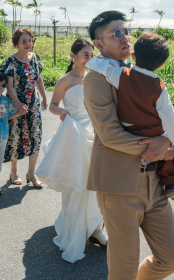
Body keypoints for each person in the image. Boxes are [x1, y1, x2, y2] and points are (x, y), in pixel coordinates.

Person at [84, 11, 174, 280]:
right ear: (99, 44)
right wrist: (161, 147)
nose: (125, 37)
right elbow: (109, 134)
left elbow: (166, 115)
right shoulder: (96, 78)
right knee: (123, 267)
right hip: (118, 185)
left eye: (126, 31)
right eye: (116, 33)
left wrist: (165, 140)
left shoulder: (140, 74)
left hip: (155, 180)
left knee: (171, 259)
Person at [86, 31, 174, 200]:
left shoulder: (122, 76)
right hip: (152, 132)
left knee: (166, 144)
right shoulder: (159, 88)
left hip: (129, 129)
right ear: (162, 63)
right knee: (173, 141)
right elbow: (169, 119)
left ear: (133, 56)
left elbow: (103, 68)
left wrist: (91, 61)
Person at [35, 38, 108, 263]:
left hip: (97, 133)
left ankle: (95, 227)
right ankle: (76, 227)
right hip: (75, 134)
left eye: (91, 54)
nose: (89, 58)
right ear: (73, 56)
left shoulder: (98, 78)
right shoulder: (65, 80)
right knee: (78, 183)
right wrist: (62, 113)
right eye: (85, 54)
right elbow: (53, 105)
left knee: (99, 184)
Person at [0, 27, 49, 188]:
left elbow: (38, 79)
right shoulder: (10, 61)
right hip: (15, 104)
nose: (28, 43)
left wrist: (45, 97)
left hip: (33, 104)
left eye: (30, 40)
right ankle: (14, 171)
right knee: (15, 137)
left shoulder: (35, 59)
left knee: (35, 136)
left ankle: (31, 174)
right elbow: (9, 86)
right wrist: (19, 105)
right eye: (23, 41)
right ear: (17, 43)